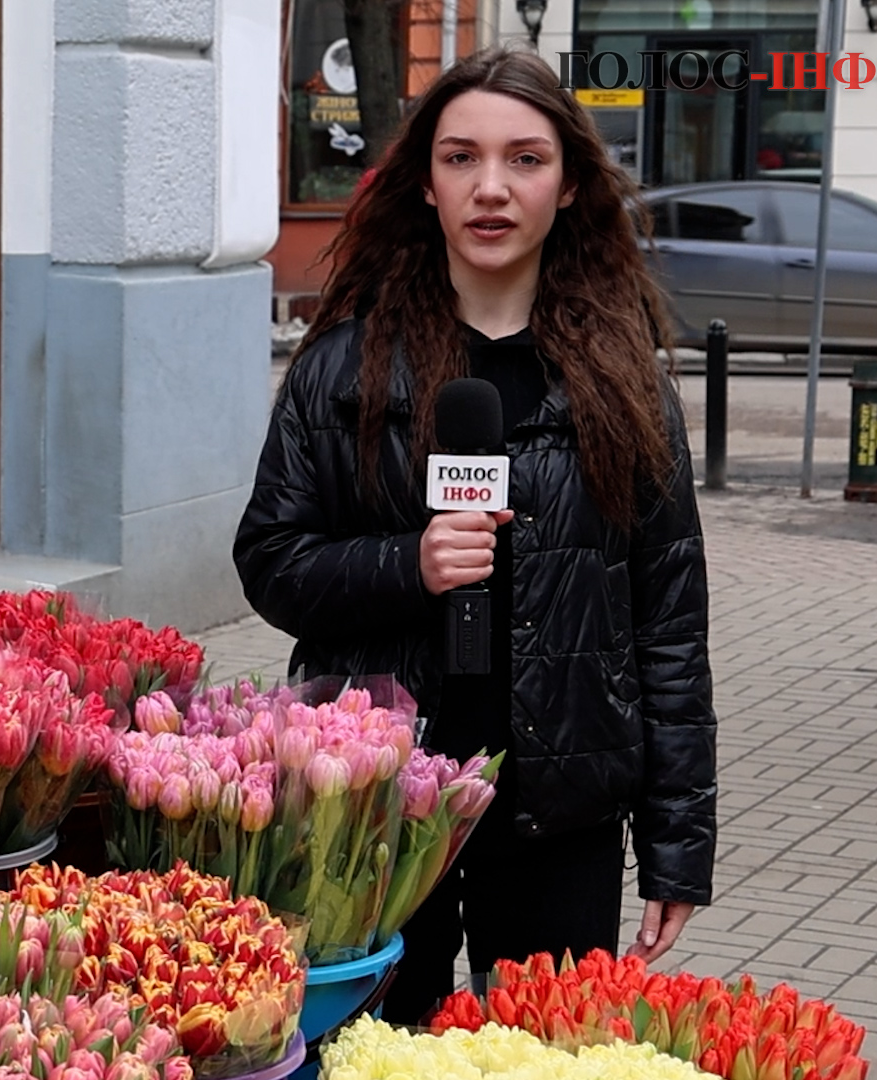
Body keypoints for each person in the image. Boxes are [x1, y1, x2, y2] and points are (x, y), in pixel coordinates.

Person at [233, 47, 716, 1025]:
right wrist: (407, 563)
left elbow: (669, 628)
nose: (491, 187)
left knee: (539, 1054)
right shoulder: (344, 370)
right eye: (461, 158)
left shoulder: (622, 386)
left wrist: (677, 846)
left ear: (571, 183)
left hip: (559, 814)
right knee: (374, 1049)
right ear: (425, 181)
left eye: (525, 159)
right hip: (371, 804)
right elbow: (271, 562)